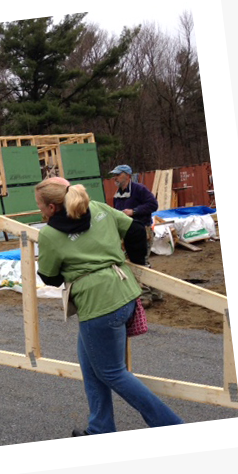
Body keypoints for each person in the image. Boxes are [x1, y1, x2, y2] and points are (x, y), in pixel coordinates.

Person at [34, 180, 183, 436]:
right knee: (91, 365)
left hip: (98, 306)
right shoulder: (98, 208)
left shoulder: (50, 233)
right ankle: (100, 428)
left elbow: (50, 277)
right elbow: (136, 231)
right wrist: (137, 264)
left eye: (39, 206)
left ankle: (172, 427)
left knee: (113, 372)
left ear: (51, 207)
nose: (38, 210)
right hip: (124, 293)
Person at [109, 164, 163, 306]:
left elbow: (153, 205)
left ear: (127, 175)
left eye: (117, 174)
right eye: (114, 175)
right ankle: (156, 292)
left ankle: (145, 295)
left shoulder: (140, 190)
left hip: (142, 231)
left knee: (140, 262)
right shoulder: (118, 194)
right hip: (128, 232)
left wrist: (134, 211)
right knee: (140, 261)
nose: (114, 177)